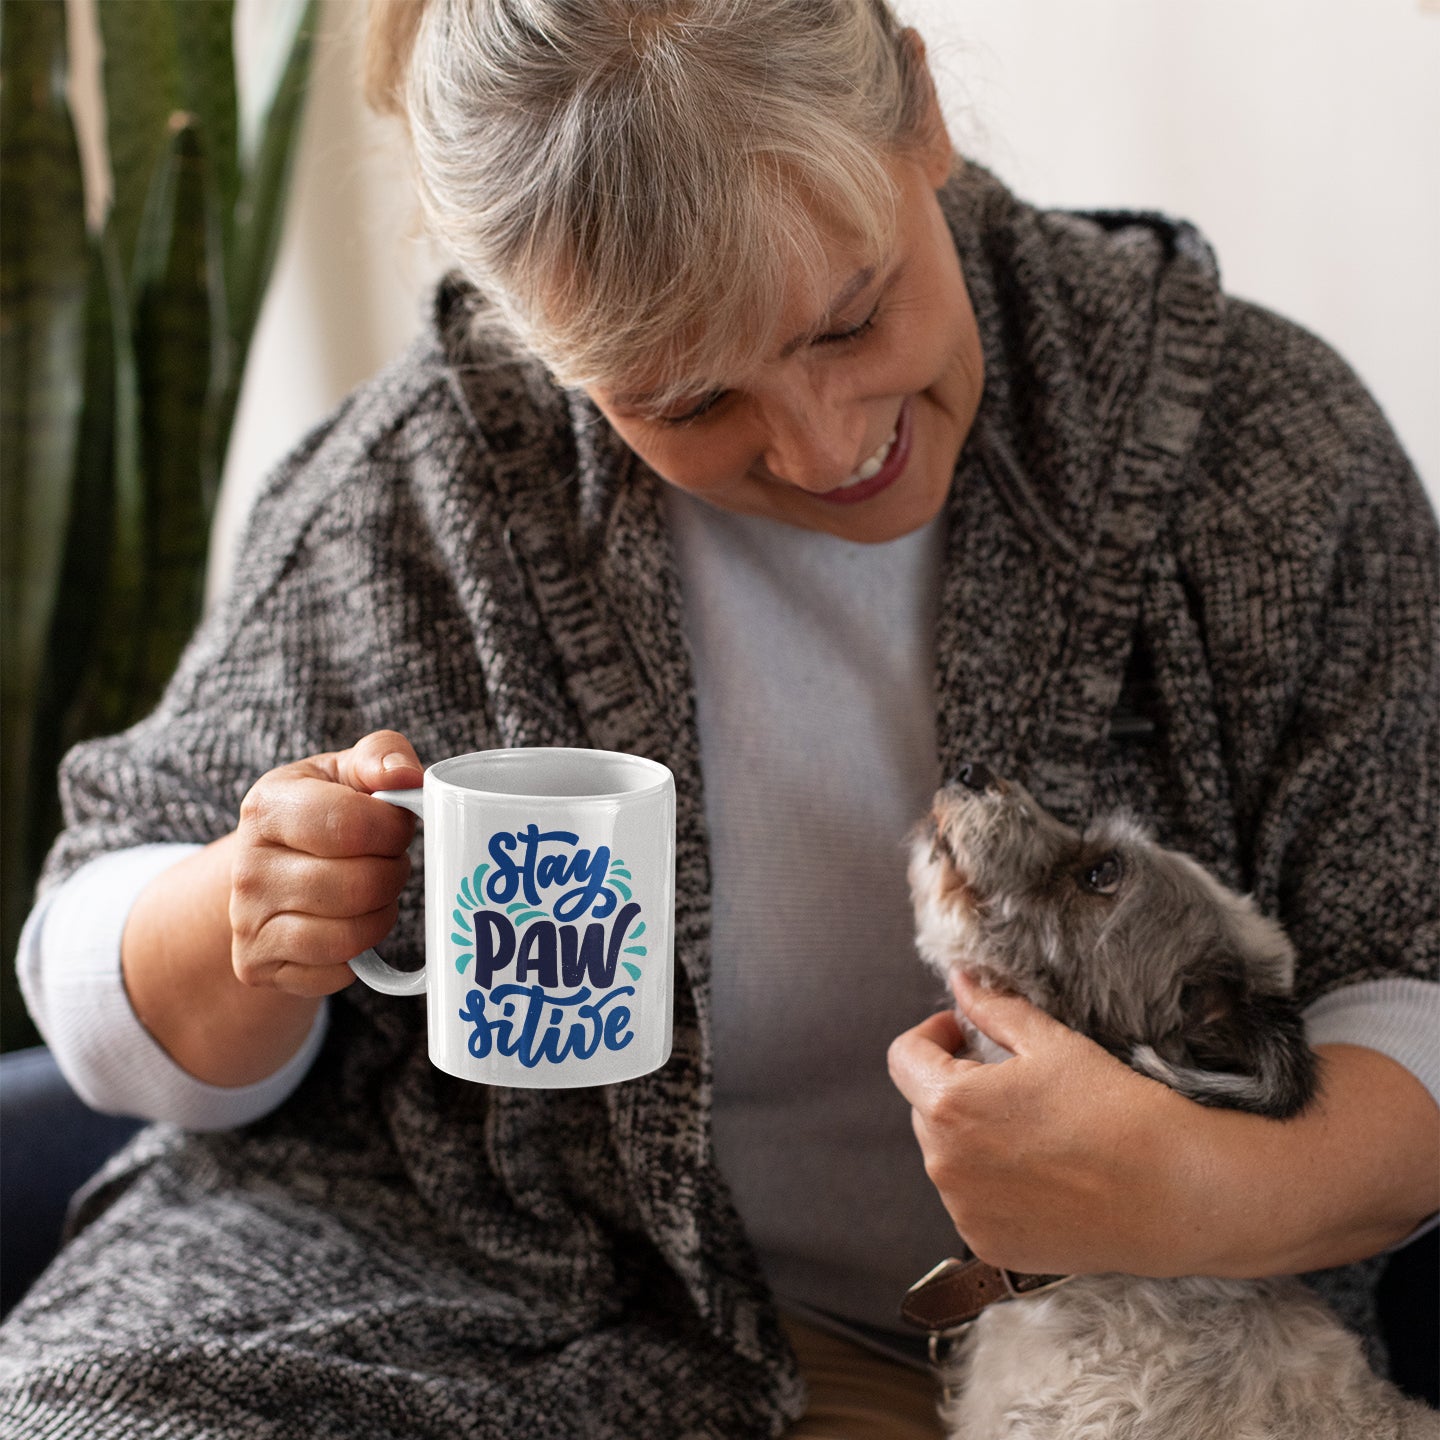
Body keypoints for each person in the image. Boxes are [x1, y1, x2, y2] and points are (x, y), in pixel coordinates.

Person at [2, 2, 1436, 1436]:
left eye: (852, 316)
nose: (825, 447)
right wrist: (242, 914)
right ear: (545, 348)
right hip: (455, 1308)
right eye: (685, 398)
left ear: (918, 109)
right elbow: (93, 969)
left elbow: (1414, 968)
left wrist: (1202, 1196)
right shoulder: (412, 504)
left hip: (1129, 1358)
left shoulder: (1255, 451)